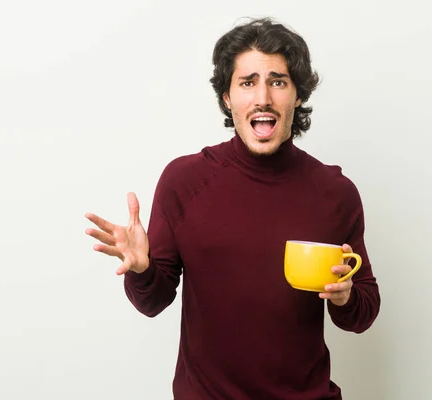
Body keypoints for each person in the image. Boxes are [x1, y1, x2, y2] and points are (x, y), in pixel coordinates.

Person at [85, 17, 380, 400]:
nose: (262, 98)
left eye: (278, 81)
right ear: (227, 97)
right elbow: (153, 302)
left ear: (297, 95)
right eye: (247, 83)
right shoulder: (184, 181)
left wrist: (345, 296)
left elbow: (364, 311)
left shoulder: (335, 192)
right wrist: (141, 270)